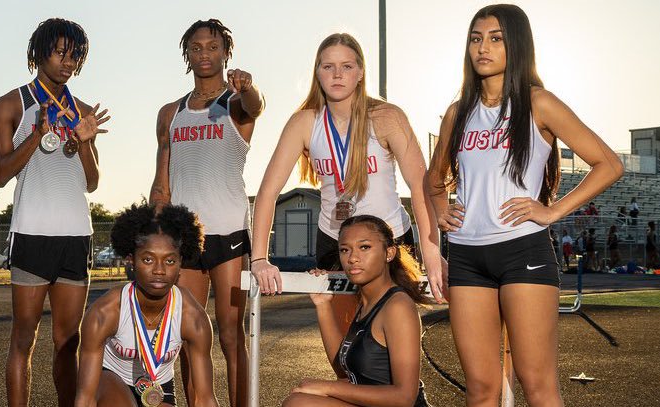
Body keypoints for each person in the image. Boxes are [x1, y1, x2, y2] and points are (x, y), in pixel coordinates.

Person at [426, 5, 623, 405]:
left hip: (523, 252)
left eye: (496, 38)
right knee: (481, 389)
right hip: (466, 256)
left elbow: (609, 164)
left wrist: (551, 211)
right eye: (476, 38)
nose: (483, 47)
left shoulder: (539, 103)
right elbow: (433, 181)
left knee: (537, 386)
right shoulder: (457, 112)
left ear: (516, 45)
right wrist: (440, 210)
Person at [249, 32, 447, 353]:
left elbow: (421, 186)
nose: (337, 74)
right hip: (334, 241)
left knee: (389, 350)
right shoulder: (304, 123)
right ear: (317, 72)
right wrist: (259, 259)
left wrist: (432, 252)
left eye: (346, 66)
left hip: (390, 241)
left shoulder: (386, 117)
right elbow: (268, 191)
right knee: (346, 350)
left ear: (361, 72)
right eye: (328, 67)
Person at [0, 18, 111, 407]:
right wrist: (37, 137)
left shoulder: (84, 109)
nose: (67, 62)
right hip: (31, 233)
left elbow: (92, 183)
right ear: (39, 53)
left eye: (74, 55)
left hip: (76, 235)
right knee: (23, 339)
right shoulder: (11, 104)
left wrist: (85, 142)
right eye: (60, 52)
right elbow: (0, 176)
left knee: (67, 342)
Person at [148, 19, 262, 405]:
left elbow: (254, 106)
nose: (204, 54)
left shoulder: (234, 103)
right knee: (185, 332)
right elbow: (161, 181)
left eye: (212, 47)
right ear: (187, 55)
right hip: (184, 237)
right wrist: (154, 228)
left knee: (231, 334)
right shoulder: (170, 113)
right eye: (196, 48)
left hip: (229, 232)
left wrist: (249, 88)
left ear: (226, 53)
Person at [74, 204, 218, 407]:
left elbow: (205, 398)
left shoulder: (192, 316)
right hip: (109, 383)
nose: (159, 270)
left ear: (180, 263)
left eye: (169, 261)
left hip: (157, 389)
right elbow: (85, 398)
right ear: (131, 260)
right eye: (148, 259)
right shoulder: (105, 312)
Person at [283, 215, 431, 407]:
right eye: (345, 250)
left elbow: (404, 398)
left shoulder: (397, 307)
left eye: (364, 247)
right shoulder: (366, 302)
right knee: (300, 401)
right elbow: (346, 372)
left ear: (389, 253)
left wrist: (326, 387)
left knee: (299, 403)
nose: (352, 258)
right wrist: (323, 305)